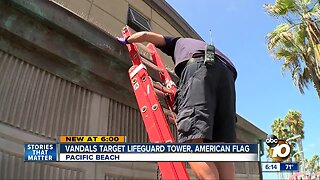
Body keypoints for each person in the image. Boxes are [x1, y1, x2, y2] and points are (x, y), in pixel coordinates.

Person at [117, 31, 237, 180]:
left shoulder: (176, 42)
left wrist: (127, 39)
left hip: (200, 68)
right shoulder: (206, 47)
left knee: (192, 140)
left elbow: (146, 35)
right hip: (228, 79)